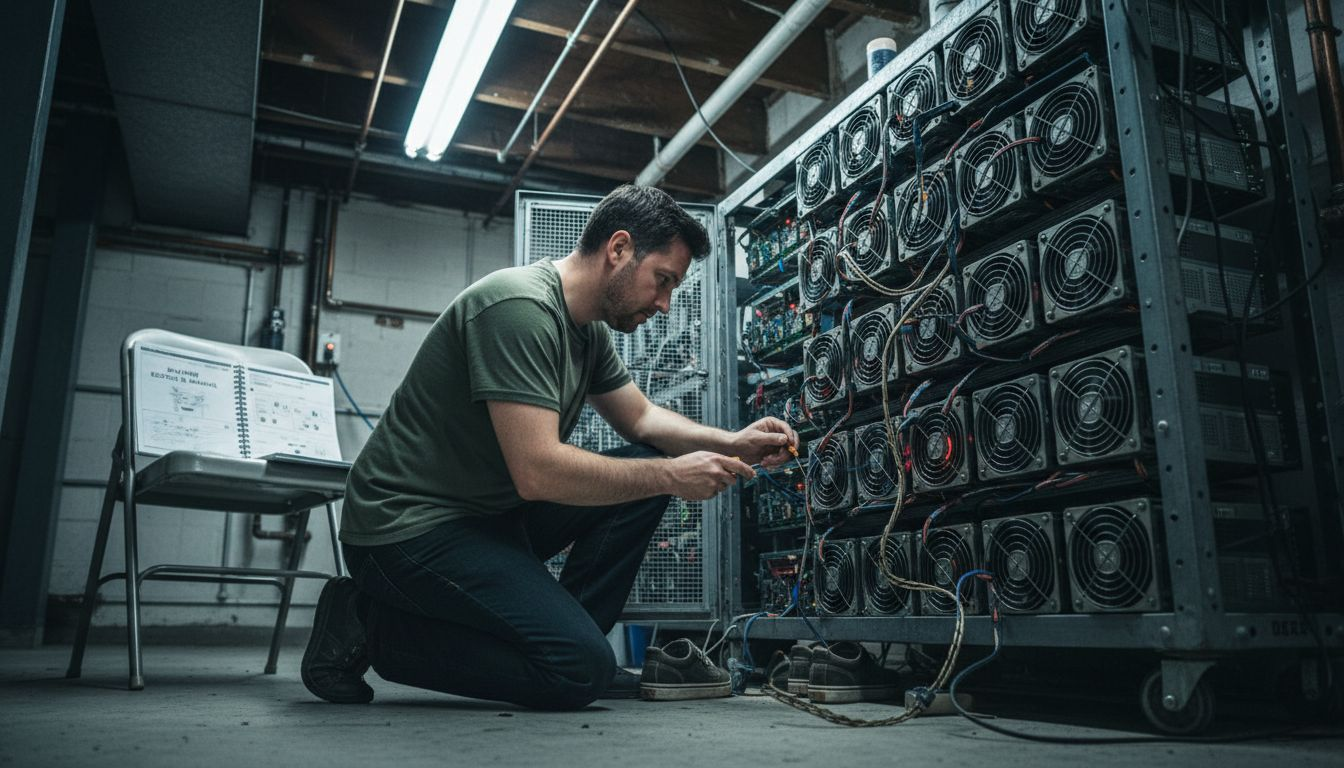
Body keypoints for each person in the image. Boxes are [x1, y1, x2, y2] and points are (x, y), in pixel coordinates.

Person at [301, 185, 798, 710]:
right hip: (404, 530)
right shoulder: (519, 308)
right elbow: (537, 473)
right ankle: (366, 622)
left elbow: (642, 418)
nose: (664, 303)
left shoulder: (586, 332)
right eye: (664, 280)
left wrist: (735, 443)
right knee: (575, 671)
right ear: (620, 249)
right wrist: (675, 476)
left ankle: (570, 645)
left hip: (486, 517)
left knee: (645, 473)